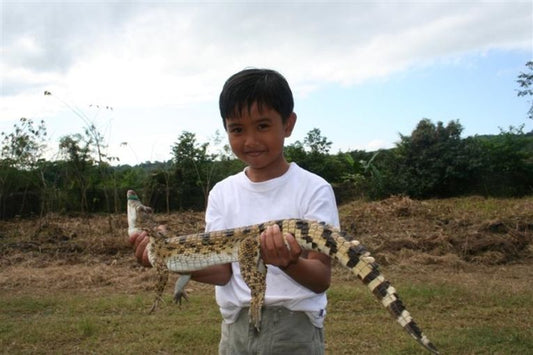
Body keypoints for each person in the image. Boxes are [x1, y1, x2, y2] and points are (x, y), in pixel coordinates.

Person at [128, 68, 339, 354]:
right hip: (235, 327)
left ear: (288, 124)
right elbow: (223, 272)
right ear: (226, 129)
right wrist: (166, 258)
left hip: (294, 329)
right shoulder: (221, 193)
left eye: (263, 126)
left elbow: (321, 278)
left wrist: (289, 262)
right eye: (237, 129)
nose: (250, 140)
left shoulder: (314, 188)